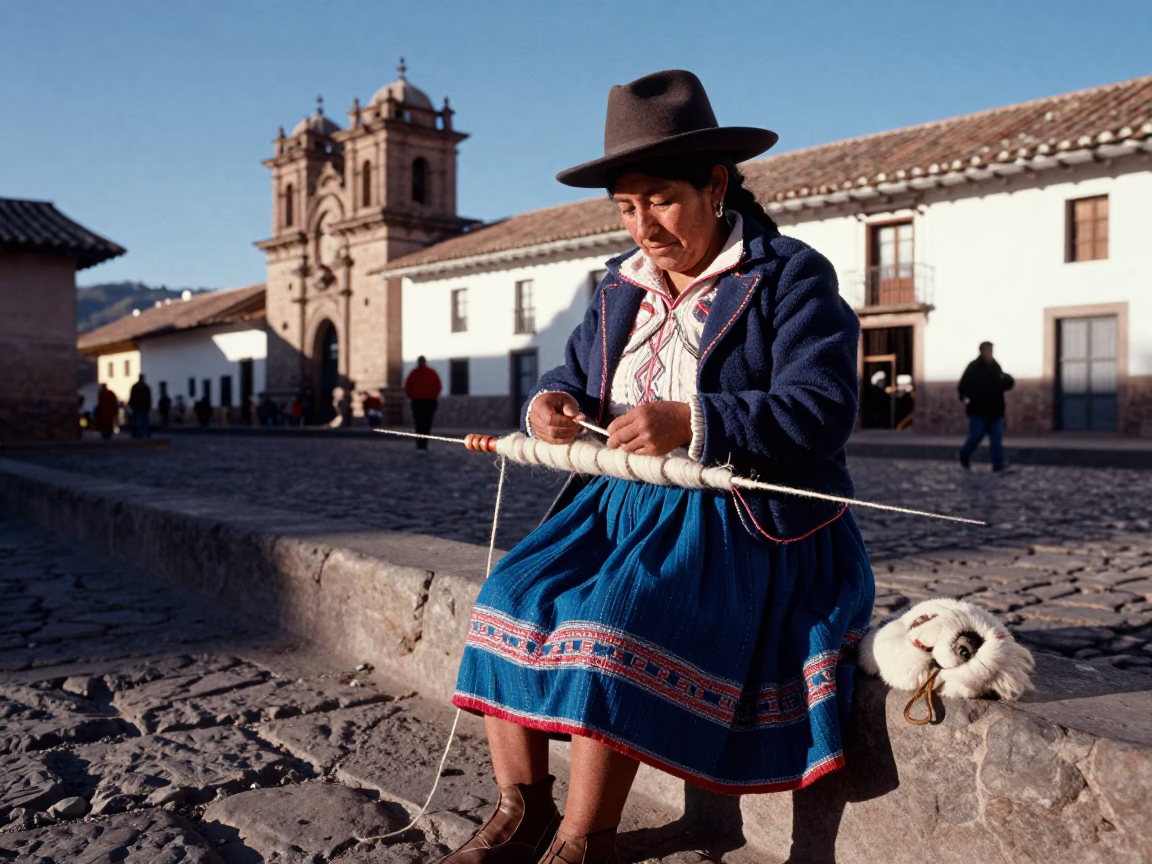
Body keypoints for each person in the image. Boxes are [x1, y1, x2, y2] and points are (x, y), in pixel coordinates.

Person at [444, 70, 874, 864]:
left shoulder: (786, 276)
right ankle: (523, 809)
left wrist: (694, 421)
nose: (644, 225)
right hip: (616, 503)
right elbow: (573, 375)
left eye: (661, 200)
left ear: (715, 187)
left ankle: (584, 839)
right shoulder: (619, 287)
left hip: (738, 517)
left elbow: (823, 407)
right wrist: (551, 406)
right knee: (510, 596)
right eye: (627, 207)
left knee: (613, 625)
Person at [958, 341, 1015, 473]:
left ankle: (998, 465)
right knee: (975, 436)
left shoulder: (995, 366)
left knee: (996, 439)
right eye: (988, 351)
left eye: (991, 351)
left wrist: (1008, 380)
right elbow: (963, 386)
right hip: (978, 410)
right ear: (982, 351)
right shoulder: (973, 367)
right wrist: (968, 398)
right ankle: (964, 453)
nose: (990, 353)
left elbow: (1001, 383)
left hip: (995, 410)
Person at [404, 356, 442, 450]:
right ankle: (424, 443)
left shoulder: (414, 373)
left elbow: (407, 387)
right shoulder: (431, 372)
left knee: (418, 423)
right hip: (429, 401)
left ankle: (420, 444)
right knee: (427, 423)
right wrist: (434, 396)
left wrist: (412, 396)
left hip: (417, 401)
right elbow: (438, 385)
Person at [127, 374, 152, 439]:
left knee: (138, 421)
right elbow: (149, 398)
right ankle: (145, 433)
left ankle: (139, 434)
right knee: (144, 421)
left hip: (137, 407)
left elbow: (132, 397)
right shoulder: (145, 387)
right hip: (143, 407)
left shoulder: (135, 387)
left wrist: (131, 404)